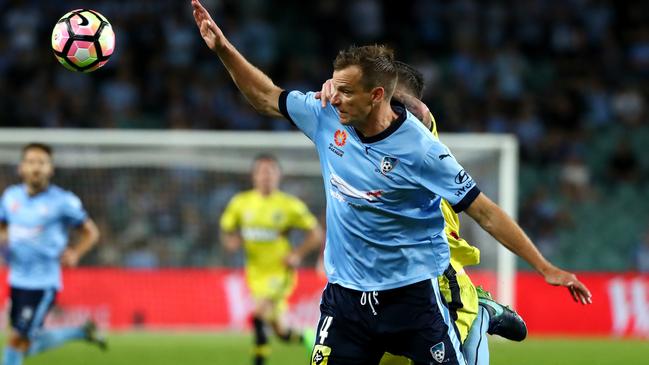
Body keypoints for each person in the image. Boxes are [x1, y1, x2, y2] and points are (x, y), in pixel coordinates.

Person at [191, 2, 591, 364]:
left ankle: (476, 309)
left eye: (346, 91)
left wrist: (544, 267)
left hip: (412, 296)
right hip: (345, 299)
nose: (335, 97)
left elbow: (485, 211)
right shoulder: (326, 115)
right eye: (336, 87)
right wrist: (223, 49)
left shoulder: (421, 147)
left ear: (377, 95)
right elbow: (265, 96)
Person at [316, 61, 527, 365]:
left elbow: (420, 112)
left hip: (437, 277)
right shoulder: (355, 139)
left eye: (389, 98)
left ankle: (480, 312)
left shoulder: (418, 134)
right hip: (380, 290)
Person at [0, 143, 105, 365]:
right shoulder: (10, 197)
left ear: (51, 169)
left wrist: (75, 253)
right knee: (21, 342)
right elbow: (2, 227)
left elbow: (91, 232)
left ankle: (78, 333)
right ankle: (80, 332)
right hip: (17, 279)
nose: (36, 168)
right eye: (30, 162)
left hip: (42, 282)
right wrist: (4, 243)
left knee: (18, 341)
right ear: (21, 168)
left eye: (42, 163)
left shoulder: (62, 201)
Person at [220, 154, 323, 365]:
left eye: (271, 172)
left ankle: (258, 360)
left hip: (280, 272)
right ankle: (306, 338)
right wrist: (230, 241)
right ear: (254, 176)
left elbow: (316, 233)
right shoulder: (241, 203)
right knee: (281, 332)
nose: (266, 176)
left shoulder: (289, 205)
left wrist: (298, 254)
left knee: (258, 315)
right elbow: (227, 229)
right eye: (262, 171)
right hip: (255, 272)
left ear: (278, 176)